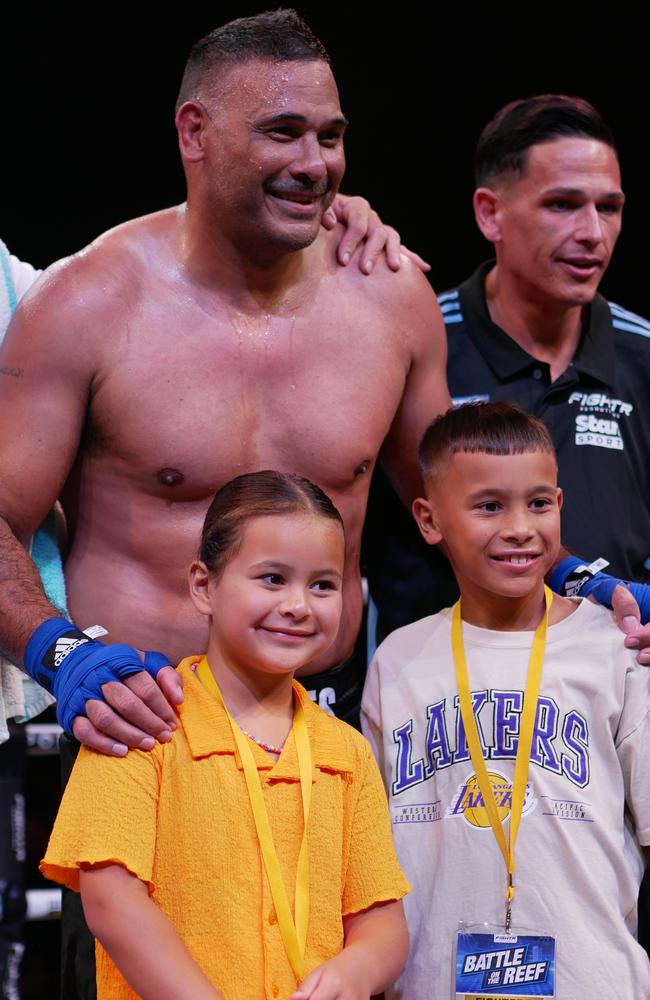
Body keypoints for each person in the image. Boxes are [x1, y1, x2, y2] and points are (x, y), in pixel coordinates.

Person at [0, 8, 448, 755]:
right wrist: (62, 654)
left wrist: (592, 597)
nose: (316, 164)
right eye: (282, 131)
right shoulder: (85, 304)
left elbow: (462, 514)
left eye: (330, 136)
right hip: (140, 725)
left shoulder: (392, 296)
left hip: (324, 726)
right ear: (194, 133)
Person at [41, 470, 410, 1000]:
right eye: (272, 579)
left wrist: (355, 971)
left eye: (323, 584)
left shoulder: (346, 750)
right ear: (203, 585)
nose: (299, 605)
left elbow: (382, 921)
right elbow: (111, 901)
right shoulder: (142, 720)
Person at [362, 402, 650, 999]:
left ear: (560, 506)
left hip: (589, 981)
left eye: (538, 503)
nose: (520, 526)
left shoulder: (615, 649)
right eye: (490, 505)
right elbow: (367, 861)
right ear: (429, 518)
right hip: (428, 981)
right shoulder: (398, 658)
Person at [365, 94, 650, 653]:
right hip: (430, 713)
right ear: (489, 213)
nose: (594, 232)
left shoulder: (644, 354)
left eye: (609, 207)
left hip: (609, 712)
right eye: (563, 204)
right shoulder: (416, 343)